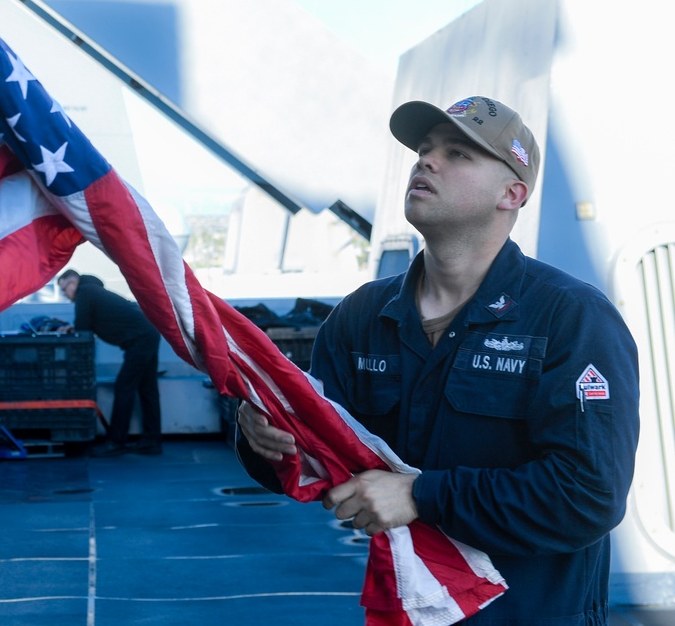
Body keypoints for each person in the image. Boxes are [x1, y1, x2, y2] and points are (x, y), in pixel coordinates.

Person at [236, 96, 639, 623]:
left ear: (511, 193)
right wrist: (262, 436)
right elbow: (316, 451)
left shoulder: (571, 318)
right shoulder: (363, 316)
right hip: (408, 609)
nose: (426, 161)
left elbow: (586, 495)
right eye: (424, 149)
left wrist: (424, 496)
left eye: (458, 154)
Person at [58, 270, 163, 457]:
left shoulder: (85, 291)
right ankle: (152, 441)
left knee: (124, 387)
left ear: (73, 282)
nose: (65, 295)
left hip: (140, 339)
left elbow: (82, 329)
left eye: (64, 289)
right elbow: (86, 325)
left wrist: (73, 329)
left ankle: (116, 441)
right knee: (147, 389)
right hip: (148, 332)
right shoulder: (94, 291)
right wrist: (75, 327)